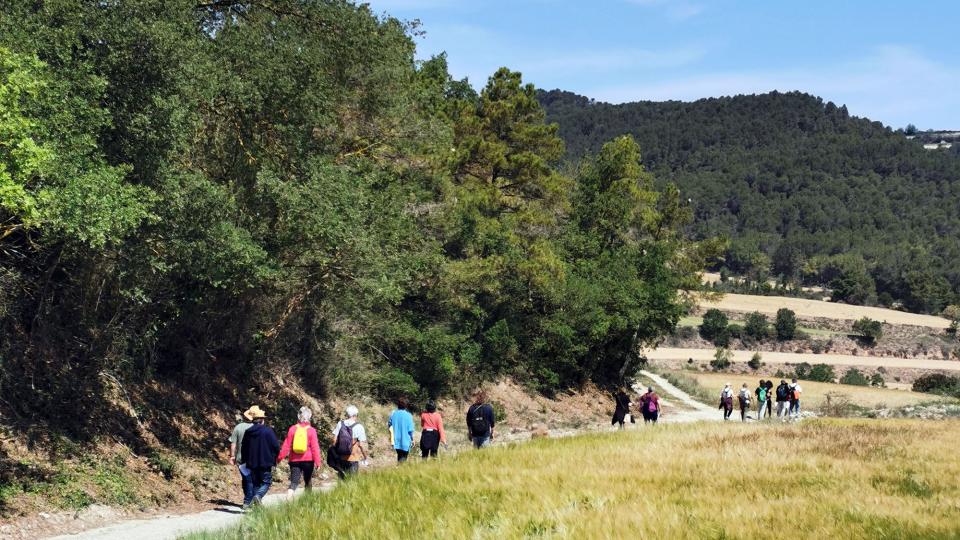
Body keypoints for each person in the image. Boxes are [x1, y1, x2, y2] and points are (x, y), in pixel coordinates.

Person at [276, 406, 322, 499]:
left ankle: (288, 498)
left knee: (294, 481)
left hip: (294, 460)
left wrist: (279, 458)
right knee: (308, 480)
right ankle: (308, 500)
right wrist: (318, 462)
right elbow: (315, 447)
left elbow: (286, 446)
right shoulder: (312, 430)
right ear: (309, 417)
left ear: (298, 416)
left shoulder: (292, 429)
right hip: (308, 460)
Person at [239, 406, 280, 508]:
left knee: (256, 483)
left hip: (251, 462)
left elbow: (244, 447)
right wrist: (275, 457)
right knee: (266, 482)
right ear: (262, 420)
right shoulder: (268, 431)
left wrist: (244, 460)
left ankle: (255, 505)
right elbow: (276, 446)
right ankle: (258, 496)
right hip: (265, 462)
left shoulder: (248, 432)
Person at [330, 405, 368, 479]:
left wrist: (336, 454)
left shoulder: (340, 424)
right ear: (356, 415)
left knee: (342, 483)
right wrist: (365, 457)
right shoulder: (359, 426)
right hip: (353, 458)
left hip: (341, 458)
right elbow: (362, 445)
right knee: (352, 484)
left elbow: (334, 440)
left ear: (347, 414)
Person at [228, 406, 256, 507]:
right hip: (253, 458)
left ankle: (248, 498)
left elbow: (233, 444)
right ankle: (248, 501)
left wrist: (232, 456)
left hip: (240, 458)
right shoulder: (255, 427)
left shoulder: (238, 427)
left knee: (246, 479)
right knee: (251, 479)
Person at [388, 397, 415, 462]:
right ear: (406, 406)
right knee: (403, 460)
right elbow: (410, 430)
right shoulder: (409, 415)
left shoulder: (393, 414)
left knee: (400, 457)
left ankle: (399, 470)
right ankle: (400, 470)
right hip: (405, 441)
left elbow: (389, 425)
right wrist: (412, 440)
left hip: (396, 441)